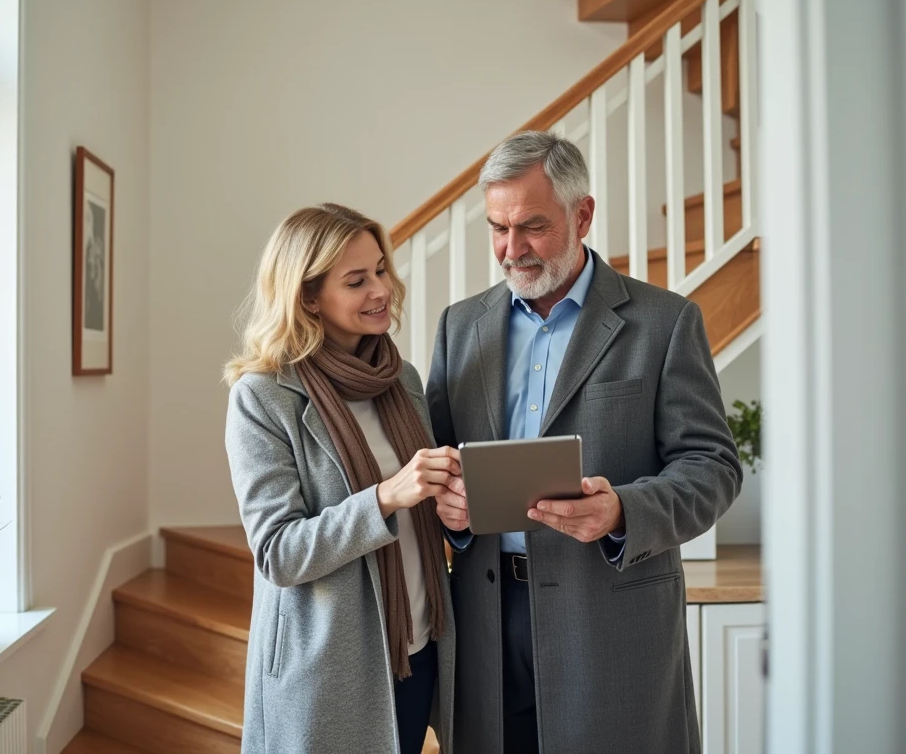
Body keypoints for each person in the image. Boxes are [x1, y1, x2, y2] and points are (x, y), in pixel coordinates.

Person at [427, 132, 742, 753]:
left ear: (584, 215)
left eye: (531, 228)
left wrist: (624, 509)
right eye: (497, 228)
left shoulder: (666, 321)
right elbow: (436, 461)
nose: (510, 249)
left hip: (611, 627)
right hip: (487, 626)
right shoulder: (458, 327)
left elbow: (713, 467)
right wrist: (449, 509)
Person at [224, 203, 458, 754]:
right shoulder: (262, 397)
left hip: (420, 646)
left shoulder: (403, 380)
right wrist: (386, 496)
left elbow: (430, 506)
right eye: (356, 280)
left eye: (380, 270)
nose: (381, 289)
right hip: (333, 665)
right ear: (307, 296)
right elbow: (279, 552)